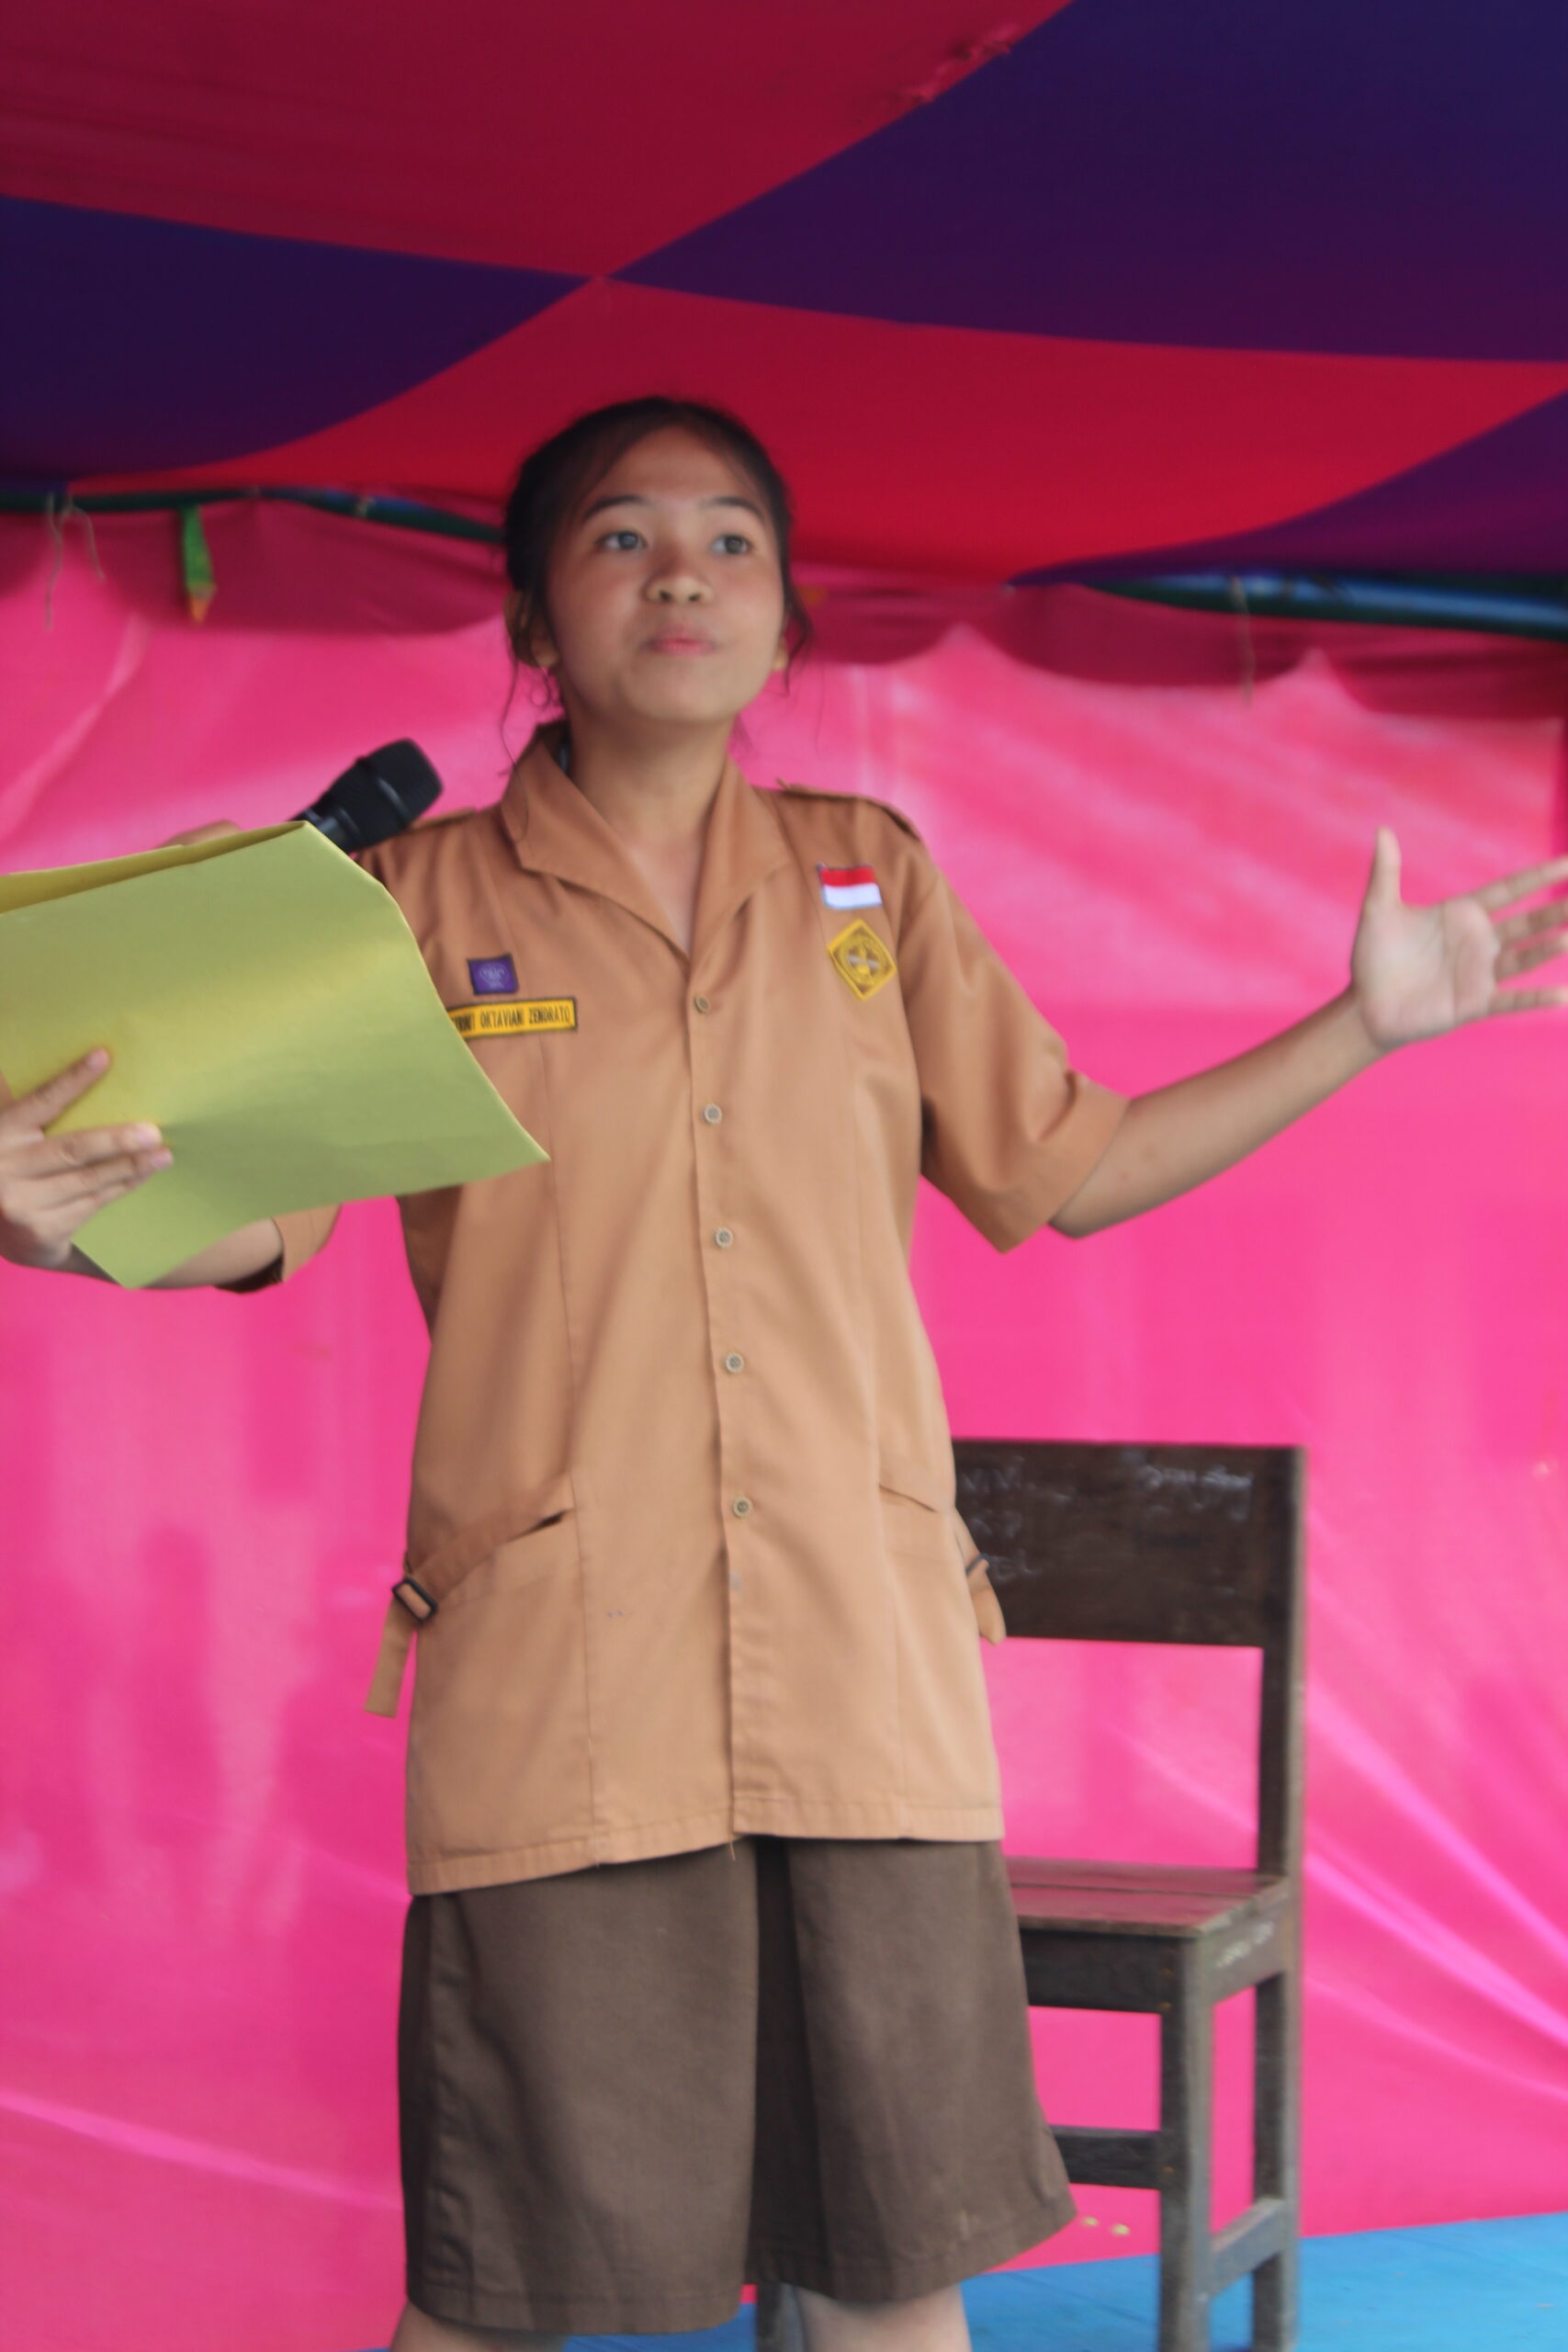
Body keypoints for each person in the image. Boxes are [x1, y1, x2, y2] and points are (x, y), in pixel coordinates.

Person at [3, 397, 1565, 2352]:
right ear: (532, 618)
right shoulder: (412, 905)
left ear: (785, 612)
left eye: (731, 539)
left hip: (861, 1679)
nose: (684, 575)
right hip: (567, 1689)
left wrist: (1360, 1024)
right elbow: (265, 1221)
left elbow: (1071, 1166)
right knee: (503, 2293)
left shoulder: (866, 881)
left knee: (889, 2275)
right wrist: (65, 1218)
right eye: (622, 536)